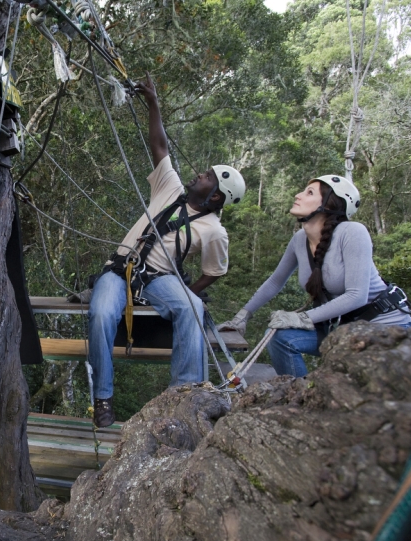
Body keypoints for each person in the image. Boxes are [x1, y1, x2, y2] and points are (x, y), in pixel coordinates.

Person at [88, 74, 246, 427]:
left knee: (193, 307)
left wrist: (188, 293)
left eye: (207, 177)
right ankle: (102, 398)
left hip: (159, 279)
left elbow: (213, 272)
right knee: (100, 313)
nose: (198, 175)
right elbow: (160, 146)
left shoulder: (214, 231)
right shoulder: (170, 187)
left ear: (216, 197)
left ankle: (184, 395)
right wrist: (153, 101)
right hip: (119, 269)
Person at [218, 175, 411, 377]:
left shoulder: (353, 232)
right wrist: (242, 316)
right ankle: (298, 396)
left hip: (386, 325)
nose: (298, 195)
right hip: (345, 329)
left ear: (330, 204)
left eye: (309, 192)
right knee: (280, 338)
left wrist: (301, 318)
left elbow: (357, 295)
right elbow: (275, 281)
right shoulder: (299, 239)